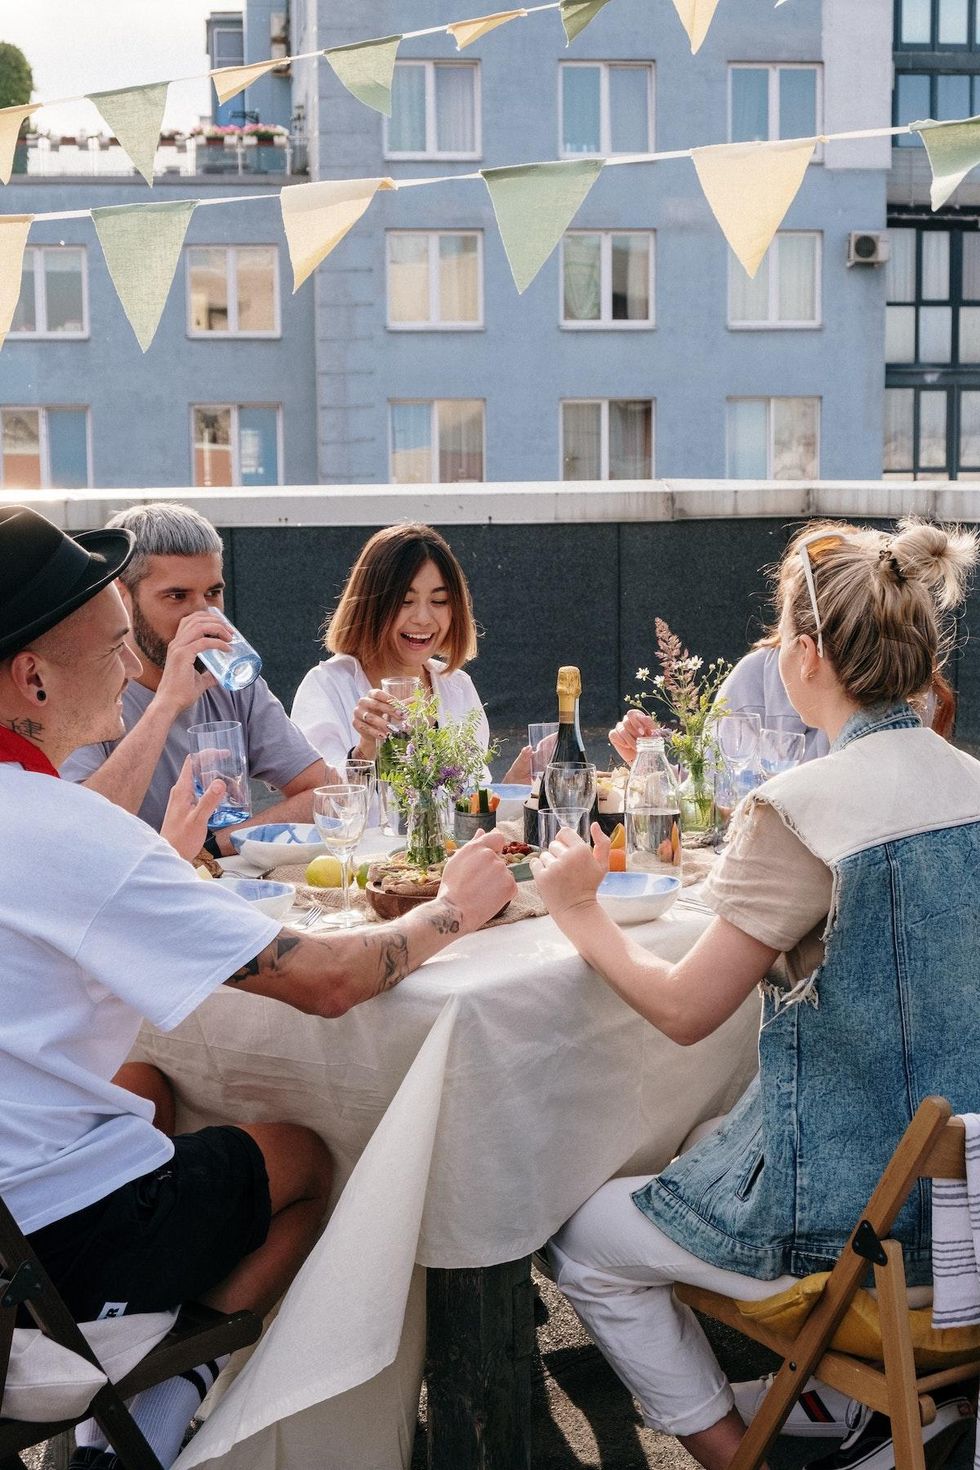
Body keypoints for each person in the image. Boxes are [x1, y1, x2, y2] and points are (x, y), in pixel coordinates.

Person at [0, 505, 516, 1470]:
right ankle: (145, 1423)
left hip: (16, 1221)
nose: (133, 664)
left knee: (149, 1085)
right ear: (33, 678)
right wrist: (454, 908)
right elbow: (330, 982)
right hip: (43, 1257)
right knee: (309, 1155)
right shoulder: (62, 826)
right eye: (116, 647)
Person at [531, 517, 980, 1470]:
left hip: (863, 1242)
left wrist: (576, 911)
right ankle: (865, 1415)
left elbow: (685, 1012)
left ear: (807, 654)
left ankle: (742, 1453)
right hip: (968, 1225)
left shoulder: (804, 806)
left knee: (577, 1239)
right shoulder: (973, 782)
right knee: (707, 1136)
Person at [61, 502, 337, 856]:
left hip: (220, 881)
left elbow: (325, 793)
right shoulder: (78, 689)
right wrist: (166, 704)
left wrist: (213, 847)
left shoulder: (230, 678)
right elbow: (85, 832)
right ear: (120, 596)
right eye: (177, 596)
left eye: (212, 593)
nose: (202, 614)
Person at [291, 522, 529, 782]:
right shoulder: (327, 687)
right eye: (406, 601)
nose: (423, 618)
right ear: (371, 604)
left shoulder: (458, 686)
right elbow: (321, 799)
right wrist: (365, 752)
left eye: (439, 601)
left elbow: (469, 801)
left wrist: (512, 789)